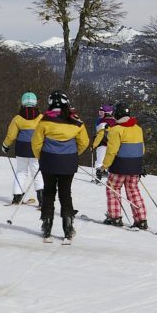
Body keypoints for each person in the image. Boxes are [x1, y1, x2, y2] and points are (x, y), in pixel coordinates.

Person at [31, 90, 90, 241]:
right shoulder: (75, 121)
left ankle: (47, 226)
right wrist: (74, 154)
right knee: (65, 194)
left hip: (48, 161)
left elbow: (36, 143)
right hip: (68, 162)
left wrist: (41, 157)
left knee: (49, 193)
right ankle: (68, 227)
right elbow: (84, 142)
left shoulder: (44, 121)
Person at [99, 102, 148, 230]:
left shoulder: (116, 130)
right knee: (133, 191)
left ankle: (115, 217)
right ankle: (141, 219)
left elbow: (112, 151)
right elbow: (141, 149)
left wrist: (104, 166)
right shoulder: (138, 128)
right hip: (135, 167)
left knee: (113, 189)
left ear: (117, 114)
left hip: (119, 167)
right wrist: (139, 165)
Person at [2, 92, 44, 207]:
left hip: (21, 148)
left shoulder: (17, 118)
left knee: (21, 172)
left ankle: (17, 197)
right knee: (37, 173)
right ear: (36, 103)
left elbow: (11, 135)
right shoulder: (41, 118)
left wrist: (5, 146)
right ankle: (42, 200)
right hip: (35, 148)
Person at [92, 104, 116, 180]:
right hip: (112, 144)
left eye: (102, 112)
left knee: (100, 159)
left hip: (102, 143)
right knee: (109, 159)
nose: (100, 114)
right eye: (99, 112)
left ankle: (98, 177)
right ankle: (106, 172)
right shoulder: (115, 121)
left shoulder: (103, 122)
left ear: (107, 113)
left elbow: (100, 135)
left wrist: (93, 145)